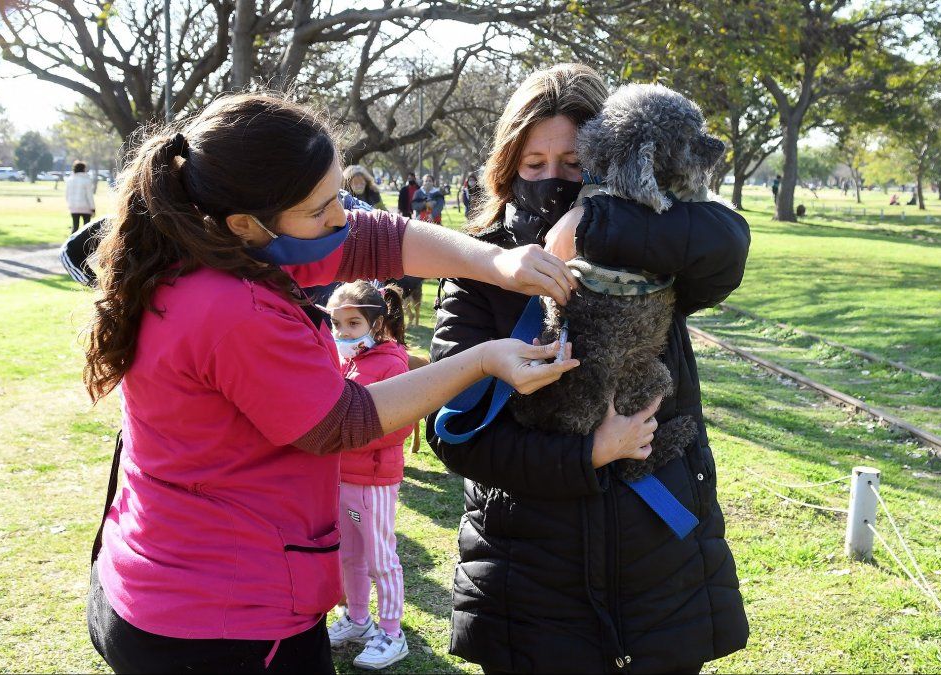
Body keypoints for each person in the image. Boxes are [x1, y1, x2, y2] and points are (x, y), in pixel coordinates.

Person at [84, 91, 582, 674]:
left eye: (337, 197)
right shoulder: (230, 309)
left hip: (159, 580)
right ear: (247, 222)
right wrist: (482, 359)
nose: (340, 219)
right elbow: (341, 421)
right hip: (220, 624)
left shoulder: (218, 243)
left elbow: (376, 237)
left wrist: (493, 262)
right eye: (320, 210)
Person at [426, 63, 750, 674]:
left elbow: (728, 245)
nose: (553, 180)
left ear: (608, 156)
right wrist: (590, 453)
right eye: (534, 165)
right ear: (508, 167)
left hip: (659, 560)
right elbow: (456, 435)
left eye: (573, 164)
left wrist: (593, 225)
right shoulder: (478, 268)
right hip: (530, 574)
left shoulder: (654, 241)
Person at [320, 281, 413, 670]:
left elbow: (398, 425)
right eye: (337, 324)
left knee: (379, 557)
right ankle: (358, 619)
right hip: (343, 480)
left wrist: (343, 435)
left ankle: (392, 632)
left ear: (375, 324)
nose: (343, 333)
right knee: (350, 555)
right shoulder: (344, 360)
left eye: (352, 323)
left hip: (372, 484)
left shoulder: (392, 364)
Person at [66, 161, 95, 233]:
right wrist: (93, 208)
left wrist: (70, 204)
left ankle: (72, 243)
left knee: (75, 227)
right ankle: (85, 244)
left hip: (73, 207)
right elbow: (89, 196)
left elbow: (67, 194)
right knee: (87, 229)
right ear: (83, 169)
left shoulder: (70, 180)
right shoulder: (86, 180)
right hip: (85, 207)